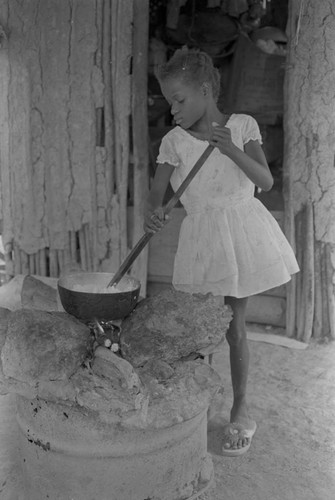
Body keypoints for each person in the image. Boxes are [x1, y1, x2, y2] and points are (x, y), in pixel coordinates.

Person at [144, 47, 299, 456]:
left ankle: (241, 406)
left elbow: (264, 182)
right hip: (202, 242)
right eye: (168, 102)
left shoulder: (242, 126)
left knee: (235, 326)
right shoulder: (174, 142)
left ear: (207, 89)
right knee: (199, 328)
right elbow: (157, 195)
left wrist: (230, 148)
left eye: (179, 100)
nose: (173, 110)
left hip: (240, 234)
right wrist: (155, 214)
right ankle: (198, 403)